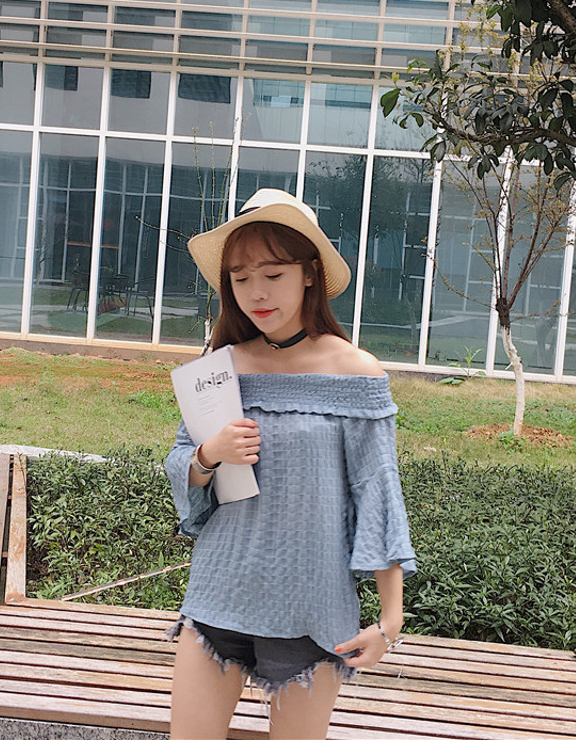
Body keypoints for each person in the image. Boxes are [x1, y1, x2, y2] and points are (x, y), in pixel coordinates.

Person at [164, 188, 415, 740]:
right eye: (240, 278)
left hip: (311, 610)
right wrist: (209, 454)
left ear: (309, 274)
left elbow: (376, 492)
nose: (256, 292)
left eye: (273, 274)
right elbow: (183, 468)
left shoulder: (355, 372)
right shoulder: (220, 366)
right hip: (218, 597)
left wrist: (390, 620)